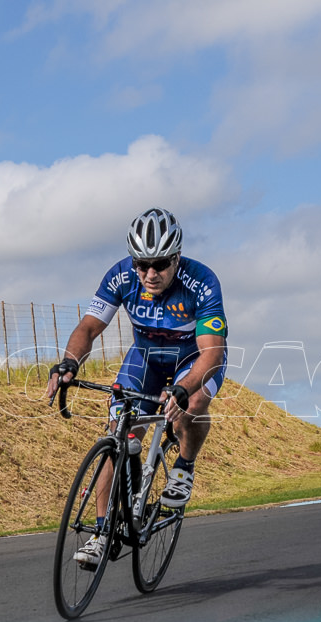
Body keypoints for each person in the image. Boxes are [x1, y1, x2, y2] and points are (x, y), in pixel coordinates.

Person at [45, 207, 228, 566]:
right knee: (118, 434)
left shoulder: (202, 282)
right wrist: (69, 362)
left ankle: (184, 467)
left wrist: (182, 388)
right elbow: (88, 328)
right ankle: (101, 533)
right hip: (145, 358)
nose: (149, 273)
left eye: (159, 264)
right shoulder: (122, 277)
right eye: (141, 264)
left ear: (177, 257)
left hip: (191, 360)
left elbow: (212, 356)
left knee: (190, 406)